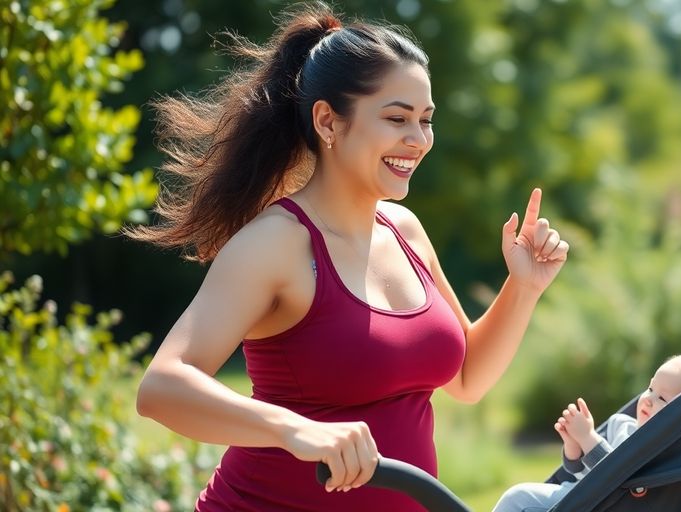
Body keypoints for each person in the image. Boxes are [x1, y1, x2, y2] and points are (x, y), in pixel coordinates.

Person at [129, 3, 569, 510]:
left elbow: (466, 378)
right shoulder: (276, 243)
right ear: (328, 122)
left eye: (425, 120)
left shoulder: (404, 230)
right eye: (396, 118)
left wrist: (525, 286)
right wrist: (296, 430)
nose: (418, 139)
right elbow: (160, 387)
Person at [492, 355, 681, 512]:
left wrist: (588, 438)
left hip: (599, 507)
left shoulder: (664, 457)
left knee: (518, 500)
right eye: (651, 388)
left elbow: (618, 480)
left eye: (662, 398)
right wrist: (574, 446)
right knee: (519, 496)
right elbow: (582, 476)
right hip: (579, 496)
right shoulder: (621, 425)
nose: (649, 399)